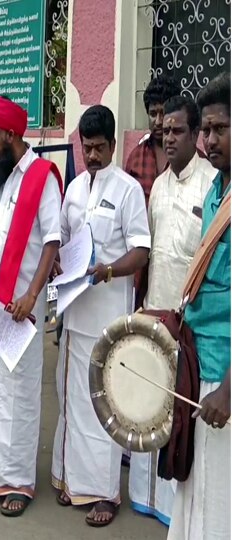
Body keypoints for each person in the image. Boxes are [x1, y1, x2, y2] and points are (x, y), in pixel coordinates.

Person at [52, 105, 150, 527]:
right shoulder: (73, 189)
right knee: (73, 400)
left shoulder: (128, 190)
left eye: (98, 148)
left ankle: (105, 493)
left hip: (109, 317)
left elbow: (141, 250)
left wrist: (107, 270)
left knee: (105, 405)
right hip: (76, 314)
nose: (91, 155)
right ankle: (72, 481)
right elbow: (63, 241)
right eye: (85, 147)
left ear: (112, 145)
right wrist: (61, 264)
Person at [0, 97, 62, 516]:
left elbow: (52, 241)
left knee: (19, 395)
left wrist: (30, 294)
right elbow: (3, 234)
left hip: (21, 310)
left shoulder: (43, 177)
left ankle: (18, 482)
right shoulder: (2, 178)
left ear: (11, 135)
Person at [129, 95, 217, 527]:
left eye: (177, 132)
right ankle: (148, 500)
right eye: (164, 132)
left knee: (182, 418)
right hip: (156, 313)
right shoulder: (159, 186)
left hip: (192, 326)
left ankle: (176, 512)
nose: (168, 139)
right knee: (151, 408)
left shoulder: (212, 185)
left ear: (197, 135)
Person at [168, 72, 231, 540]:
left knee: (220, 500)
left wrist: (227, 391)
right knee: (195, 497)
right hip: (199, 365)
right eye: (205, 130)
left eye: (218, 129)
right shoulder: (216, 193)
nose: (209, 140)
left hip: (225, 379)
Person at [125, 75, 182, 205]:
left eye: (163, 113)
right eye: (153, 114)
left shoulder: (188, 157)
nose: (158, 121)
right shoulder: (136, 157)